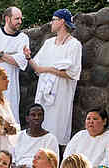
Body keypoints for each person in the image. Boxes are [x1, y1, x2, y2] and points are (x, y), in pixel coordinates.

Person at [30, 9, 82, 147]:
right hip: (44, 91)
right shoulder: (49, 43)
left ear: (62, 21)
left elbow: (72, 73)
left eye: (54, 19)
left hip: (61, 94)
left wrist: (48, 69)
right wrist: (28, 57)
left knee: (56, 128)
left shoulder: (74, 45)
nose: (51, 22)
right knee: (41, 123)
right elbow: (37, 67)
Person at [12, 103, 60, 168]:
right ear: (27, 118)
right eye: (33, 115)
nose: (36, 117)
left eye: (39, 115)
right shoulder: (19, 136)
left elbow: (52, 165)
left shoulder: (50, 139)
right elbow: (11, 158)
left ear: (43, 118)